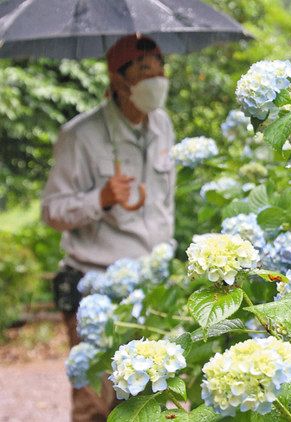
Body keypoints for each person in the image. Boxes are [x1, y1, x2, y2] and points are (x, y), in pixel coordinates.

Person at [41, 34, 175, 422]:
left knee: (149, 402)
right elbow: (52, 211)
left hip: (152, 289)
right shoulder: (80, 136)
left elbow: (166, 202)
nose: (157, 75)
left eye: (160, 65)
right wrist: (98, 199)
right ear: (118, 79)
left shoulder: (163, 125)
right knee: (98, 405)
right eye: (144, 67)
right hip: (96, 288)